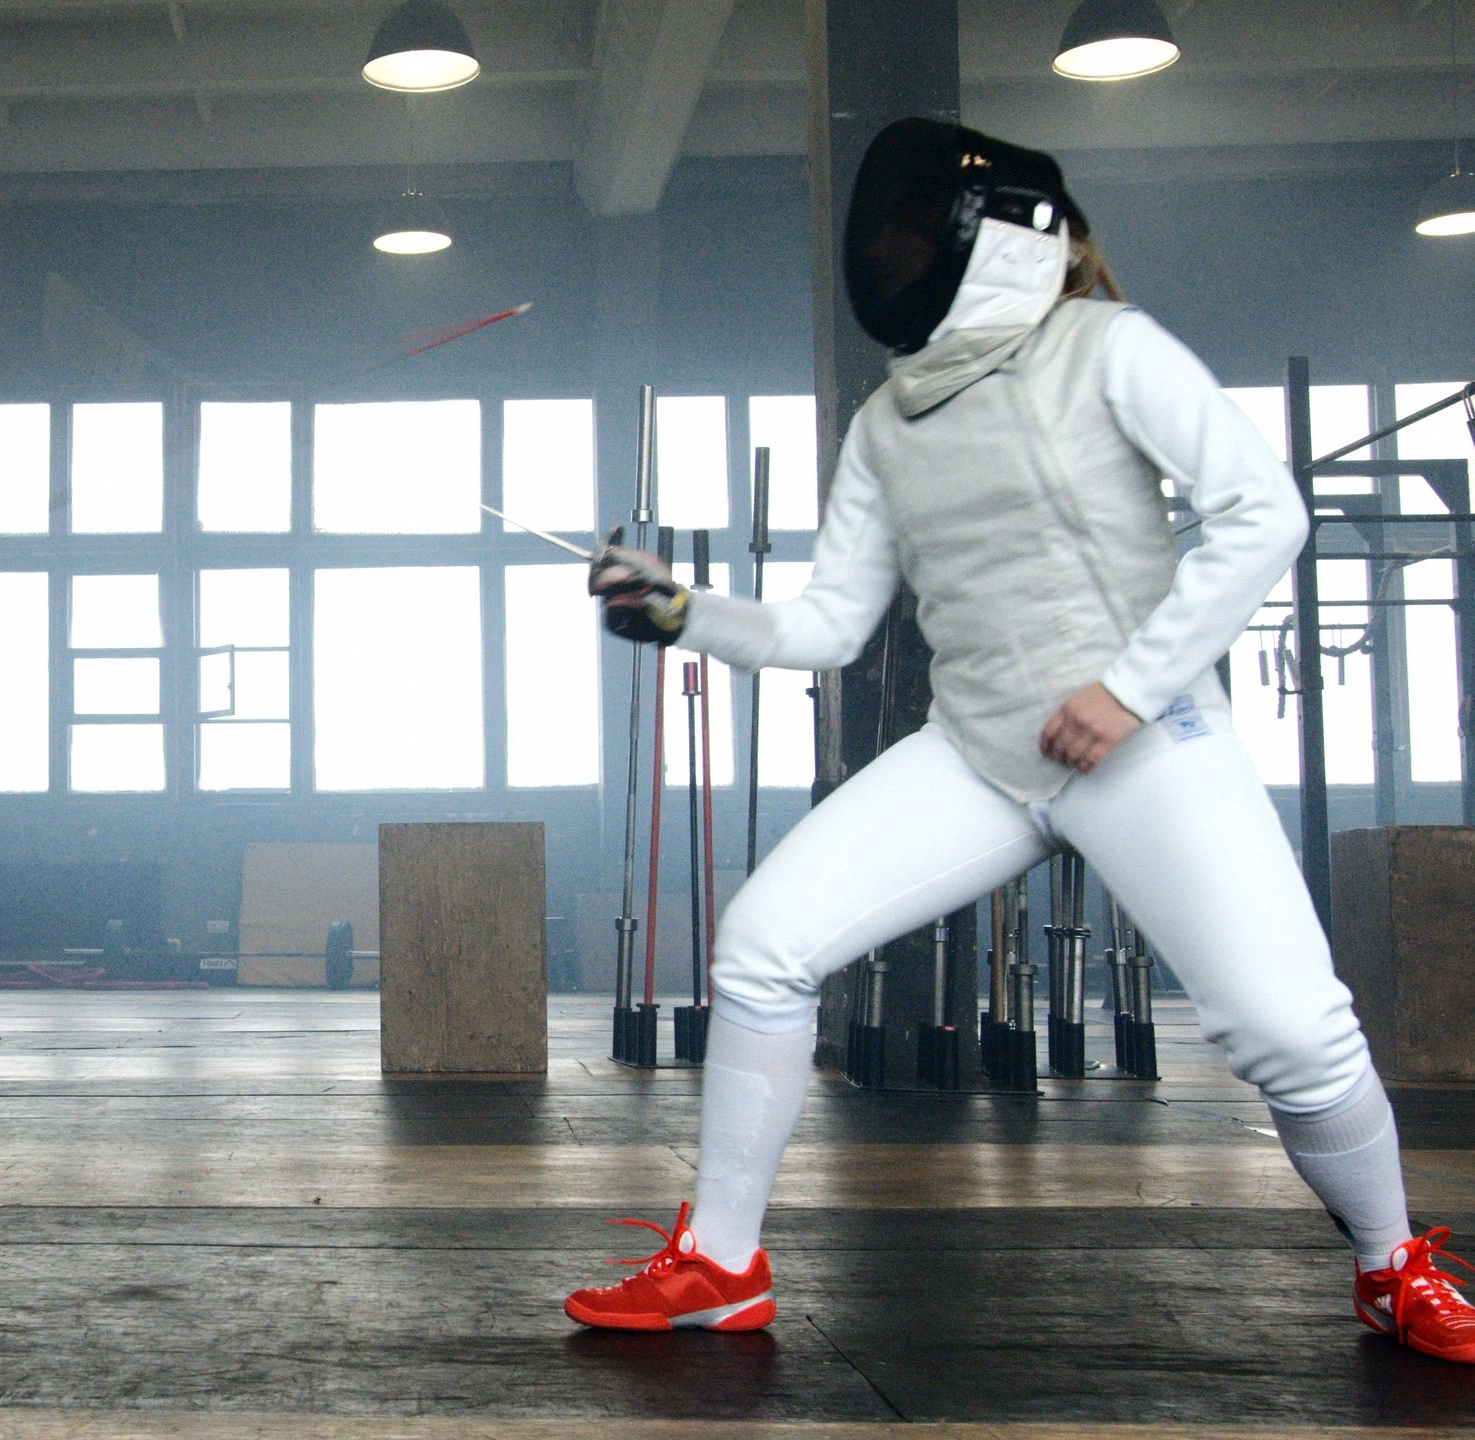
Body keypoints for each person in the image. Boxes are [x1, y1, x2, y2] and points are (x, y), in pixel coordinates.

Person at [570, 118, 1473, 1364]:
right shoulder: (888, 422)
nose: (887, 252)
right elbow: (830, 626)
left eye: (909, 229)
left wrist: (1129, 688)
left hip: (1149, 746)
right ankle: (721, 1265)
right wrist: (683, 611)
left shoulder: (1109, 348)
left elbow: (1263, 514)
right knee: (766, 946)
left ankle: (1390, 1266)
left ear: (1002, 236)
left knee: (1288, 1029)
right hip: (981, 757)